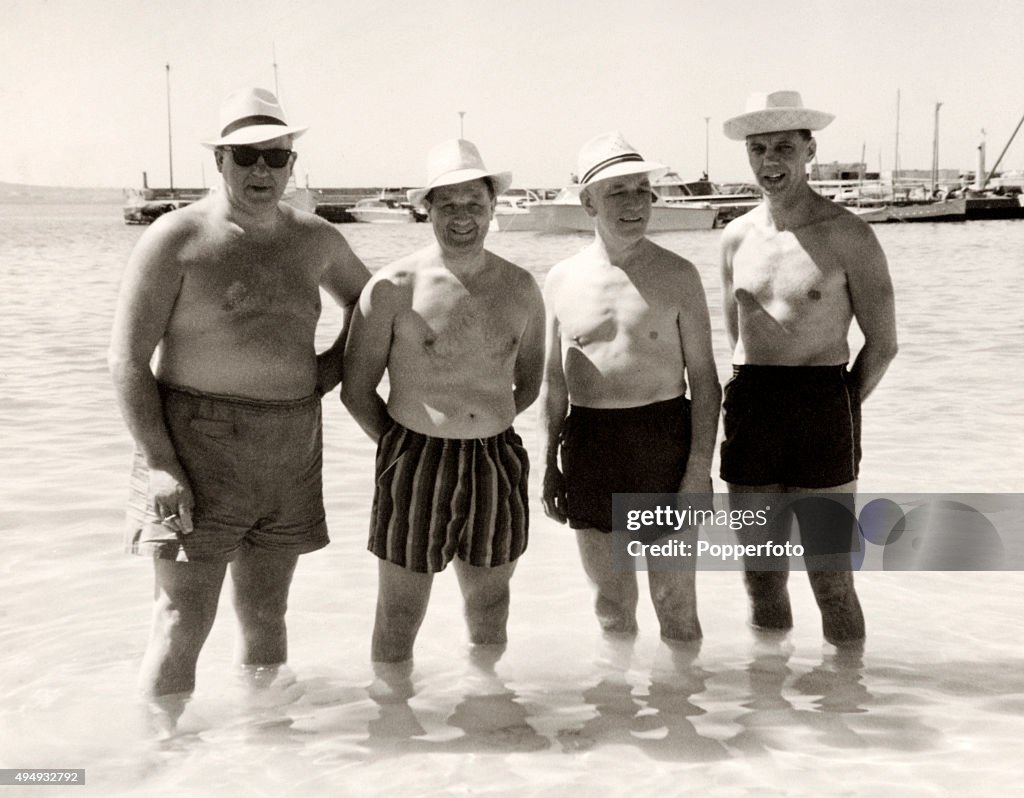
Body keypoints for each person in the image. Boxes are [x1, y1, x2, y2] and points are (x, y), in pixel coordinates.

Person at [108, 87, 371, 711]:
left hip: (291, 446)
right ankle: (155, 762)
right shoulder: (175, 238)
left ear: (291, 165)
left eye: (274, 157)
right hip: (195, 446)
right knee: (181, 619)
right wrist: (161, 462)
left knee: (267, 613)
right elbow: (125, 359)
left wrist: (328, 371)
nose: (260, 170)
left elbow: (370, 301)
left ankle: (264, 754)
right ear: (219, 161)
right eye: (244, 156)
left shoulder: (316, 239)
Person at [341, 139, 545, 672]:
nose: (462, 217)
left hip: (496, 460)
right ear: (425, 207)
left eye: (474, 204)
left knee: (491, 605)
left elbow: (528, 382)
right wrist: (403, 445)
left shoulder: (522, 287)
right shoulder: (391, 286)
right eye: (448, 204)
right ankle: (394, 718)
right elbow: (355, 390)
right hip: (414, 458)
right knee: (400, 611)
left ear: (493, 207)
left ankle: (487, 703)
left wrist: (482, 423)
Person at [719, 91, 898, 645]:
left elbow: (883, 344)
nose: (769, 162)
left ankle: (847, 705)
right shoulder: (735, 237)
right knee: (760, 576)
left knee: (832, 579)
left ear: (808, 150)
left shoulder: (849, 234)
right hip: (751, 407)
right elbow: (737, 335)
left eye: (782, 148)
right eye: (758, 149)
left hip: (823, 405)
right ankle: (767, 697)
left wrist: (839, 403)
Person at [540, 131, 721, 642]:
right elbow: (554, 385)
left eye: (642, 189)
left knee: (675, 603)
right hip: (591, 445)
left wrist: (696, 474)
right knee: (611, 605)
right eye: (618, 191)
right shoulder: (561, 279)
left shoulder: (679, 274)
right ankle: (616, 714)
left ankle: (682, 714)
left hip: (663, 440)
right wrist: (549, 467)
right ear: (587, 201)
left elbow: (706, 385)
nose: (635, 203)